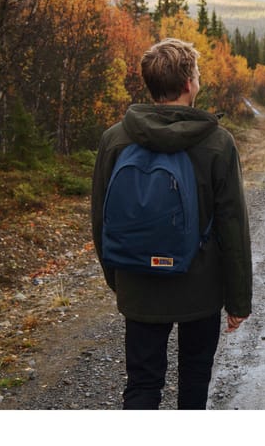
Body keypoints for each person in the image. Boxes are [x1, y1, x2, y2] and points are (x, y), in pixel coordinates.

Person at [91, 38, 252, 409]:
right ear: (187, 85)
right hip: (201, 287)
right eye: (196, 74)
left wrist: (117, 278)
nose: (198, 80)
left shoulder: (115, 139)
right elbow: (232, 226)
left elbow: (101, 218)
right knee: (194, 380)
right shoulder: (217, 143)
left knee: (142, 384)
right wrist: (238, 299)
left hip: (138, 280)